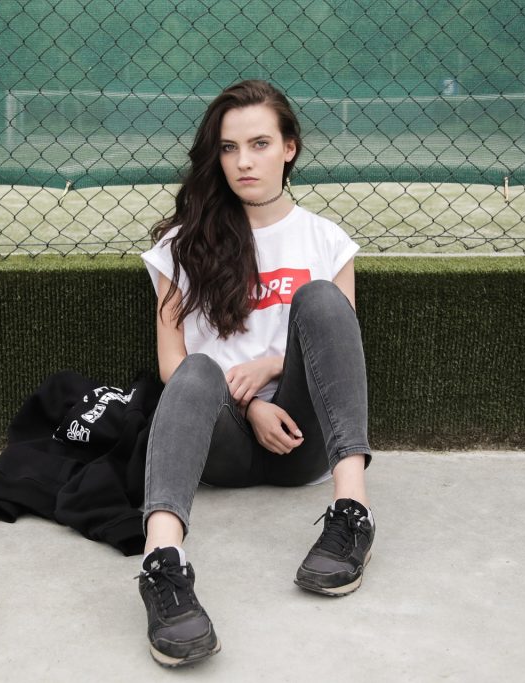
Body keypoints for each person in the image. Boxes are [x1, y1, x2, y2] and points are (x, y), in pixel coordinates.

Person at [137, 80, 374, 668]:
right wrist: (249, 404)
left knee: (322, 300)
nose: (243, 161)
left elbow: (338, 349)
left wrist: (273, 366)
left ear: (289, 148)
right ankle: (163, 564)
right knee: (196, 369)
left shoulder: (327, 240)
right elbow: (171, 365)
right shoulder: (181, 245)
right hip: (223, 441)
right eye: (229, 147)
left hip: (302, 439)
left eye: (260, 144)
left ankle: (353, 513)